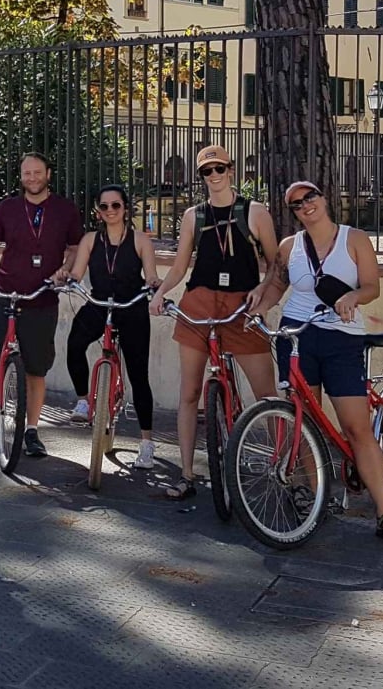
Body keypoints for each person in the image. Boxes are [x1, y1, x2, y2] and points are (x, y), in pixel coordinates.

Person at [251, 181, 383, 546]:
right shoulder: (290, 247)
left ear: (324, 199)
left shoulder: (354, 239)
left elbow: (372, 286)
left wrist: (353, 295)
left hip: (342, 338)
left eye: (310, 197)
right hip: (296, 336)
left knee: (356, 428)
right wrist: (257, 309)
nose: (306, 205)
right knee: (302, 420)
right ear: (292, 212)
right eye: (296, 204)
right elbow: (275, 287)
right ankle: (317, 498)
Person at [149, 144, 279, 500]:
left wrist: (262, 296)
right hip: (200, 300)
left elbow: (274, 263)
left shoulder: (255, 212)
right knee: (189, 393)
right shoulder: (194, 215)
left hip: (241, 304)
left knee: (266, 395)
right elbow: (179, 266)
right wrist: (161, 293)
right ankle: (187, 474)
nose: (214, 175)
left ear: (231, 169)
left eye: (220, 168)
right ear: (202, 176)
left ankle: (286, 471)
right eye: (207, 171)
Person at [0, 153, 83, 458]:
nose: (32, 178)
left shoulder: (65, 210)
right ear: (22, 176)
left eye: (37, 172)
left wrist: (65, 269)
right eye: (27, 173)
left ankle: (31, 431)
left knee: (36, 370)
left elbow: (76, 248)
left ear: (48, 174)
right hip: (4, 292)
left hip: (42, 297)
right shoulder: (8, 208)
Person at [61, 185, 161, 469]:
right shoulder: (91, 240)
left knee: (139, 375)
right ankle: (83, 400)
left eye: (115, 206)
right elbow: (78, 272)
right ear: (98, 211)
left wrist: (155, 286)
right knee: (75, 344)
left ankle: (146, 442)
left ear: (125, 208)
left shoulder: (140, 240)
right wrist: (67, 278)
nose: (110, 211)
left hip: (131, 308)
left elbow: (151, 274)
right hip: (99, 304)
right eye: (104, 207)